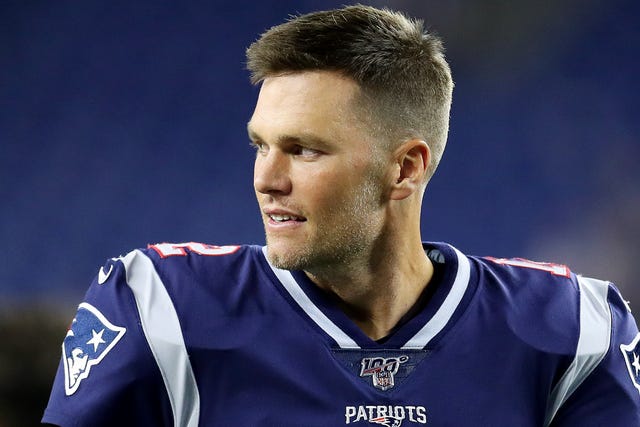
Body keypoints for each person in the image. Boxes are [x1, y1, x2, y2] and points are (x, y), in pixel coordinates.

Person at [42, 5, 640, 426]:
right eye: (260, 145)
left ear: (405, 168)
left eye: (304, 150)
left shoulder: (571, 330)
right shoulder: (158, 307)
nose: (266, 180)